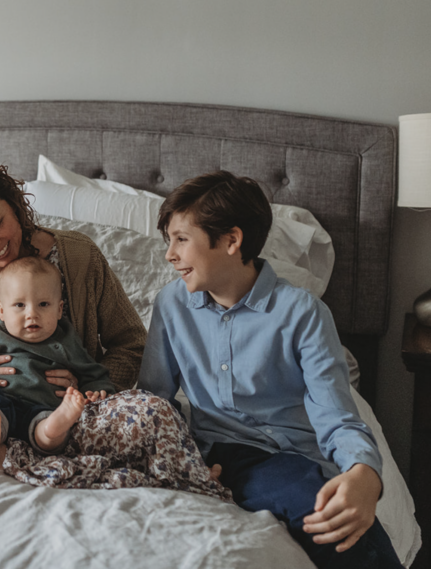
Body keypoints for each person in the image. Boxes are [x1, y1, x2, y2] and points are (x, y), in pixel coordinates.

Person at [0, 155, 229, 498]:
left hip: (68, 420)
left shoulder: (78, 255)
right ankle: (20, 461)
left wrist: (87, 391)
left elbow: (130, 342)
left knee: (156, 410)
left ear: (15, 205)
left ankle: (21, 460)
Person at [138, 171, 401, 569]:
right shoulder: (172, 305)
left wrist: (365, 472)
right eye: (168, 241)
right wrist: (176, 461)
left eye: (181, 239)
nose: (169, 255)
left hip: (288, 456)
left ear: (231, 240)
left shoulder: (302, 313)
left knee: (325, 507)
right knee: (314, 504)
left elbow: (335, 415)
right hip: (215, 454)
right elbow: (153, 399)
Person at [0, 256, 116, 473]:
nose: (32, 313)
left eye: (43, 304)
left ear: (59, 310)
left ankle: (53, 428)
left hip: (43, 405)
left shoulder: (66, 340)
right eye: (20, 305)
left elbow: (91, 370)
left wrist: (95, 390)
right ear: (1, 310)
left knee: (49, 430)